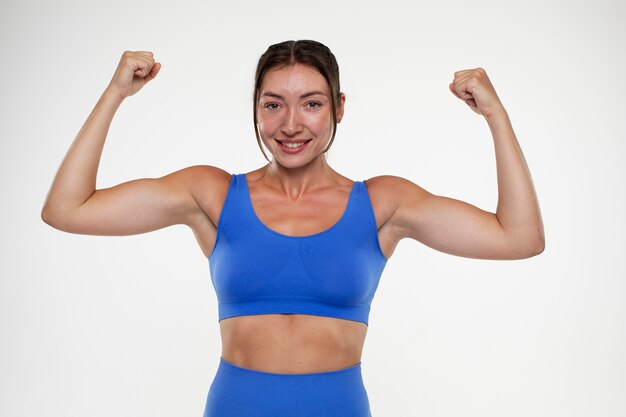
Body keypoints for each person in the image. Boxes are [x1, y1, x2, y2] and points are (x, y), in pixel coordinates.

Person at [42, 40, 544, 417]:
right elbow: (68, 208)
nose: (290, 124)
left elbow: (519, 237)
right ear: (256, 108)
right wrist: (115, 94)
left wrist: (495, 115)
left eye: (312, 102)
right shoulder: (212, 195)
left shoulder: (383, 202)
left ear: (339, 108)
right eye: (273, 103)